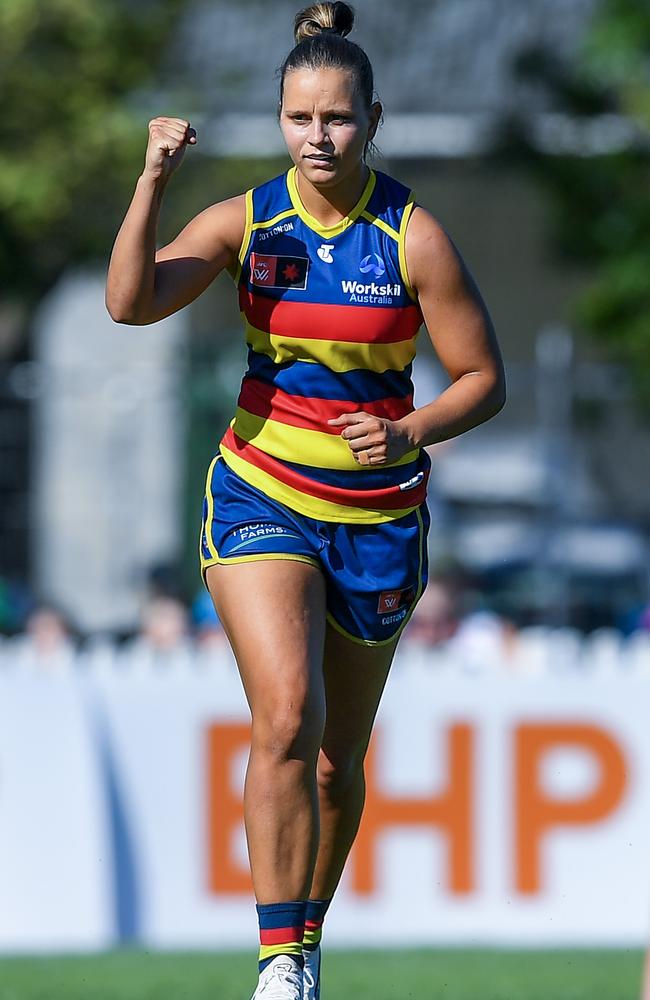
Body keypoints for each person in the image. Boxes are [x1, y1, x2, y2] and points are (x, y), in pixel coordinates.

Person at [106, 3, 506, 996]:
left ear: (372, 118)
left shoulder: (411, 236)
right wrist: (153, 178)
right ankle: (277, 960)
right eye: (297, 119)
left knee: (334, 761)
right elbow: (130, 300)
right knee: (284, 714)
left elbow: (481, 378)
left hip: (376, 517)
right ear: (278, 118)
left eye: (335, 119)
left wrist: (411, 430)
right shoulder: (245, 221)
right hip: (260, 490)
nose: (315, 137)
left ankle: (306, 933)